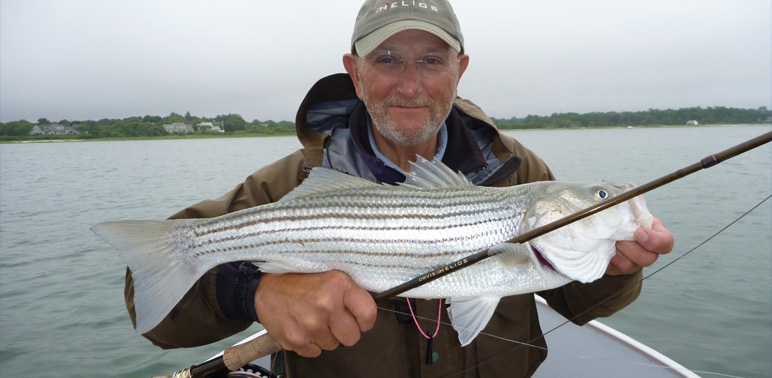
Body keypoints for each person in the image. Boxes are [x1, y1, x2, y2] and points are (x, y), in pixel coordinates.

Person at [124, 1, 674, 376]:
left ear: (460, 70)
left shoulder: (519, 171)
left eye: (431, 61)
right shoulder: (288, 182)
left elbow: (576, 301)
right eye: (387, 60)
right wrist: (253, 292)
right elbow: (150, 303)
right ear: (355, 72)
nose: (410, 85)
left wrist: (615, 268)